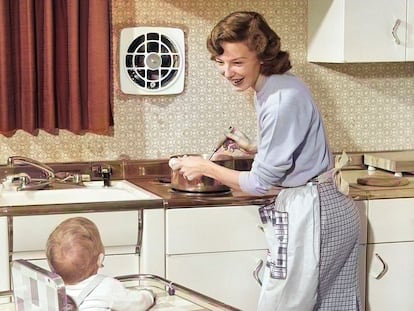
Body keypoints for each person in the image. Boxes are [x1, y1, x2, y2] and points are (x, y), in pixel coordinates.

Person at [170, 11, 361, 311]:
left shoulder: (279, 98)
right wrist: (256, 149)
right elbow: (295, 149)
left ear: (262, 54)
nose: (227, 71)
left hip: (316, 215)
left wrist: (204, 166)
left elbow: (259, 184)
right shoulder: (273, 86)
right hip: (322, 208)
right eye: (221, 62)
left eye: (237, 62)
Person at [46, 217, 156, 311]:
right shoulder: (106, 286)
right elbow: (136, 304)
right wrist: (149, 295)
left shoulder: (51, 289)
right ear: (100, 259)